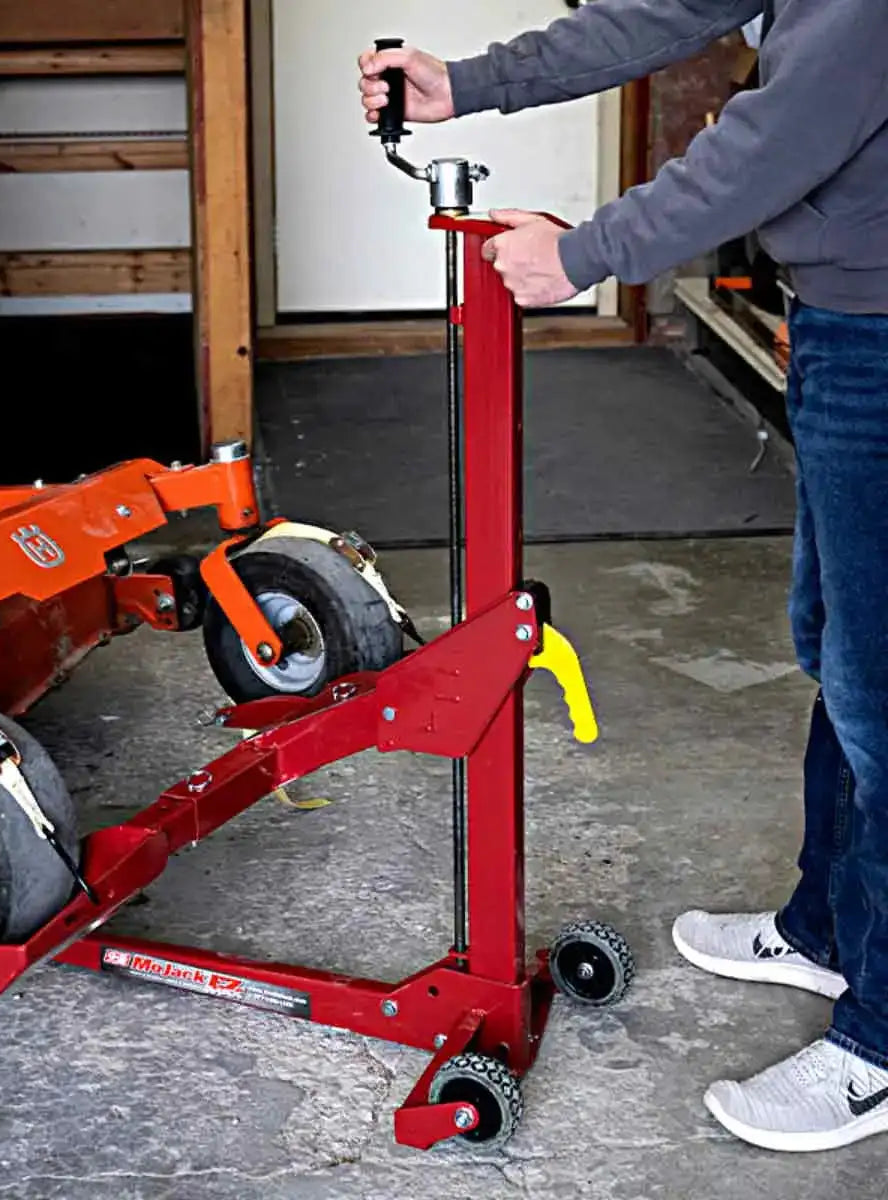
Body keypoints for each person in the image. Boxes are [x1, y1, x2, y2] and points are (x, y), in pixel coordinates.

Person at [359, 0, 888, 1155]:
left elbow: (785, 130)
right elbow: (668, 12)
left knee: (880, 692)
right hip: (846, 316)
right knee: (839, 649)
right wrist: (471, 81)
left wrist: (588, 252)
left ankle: (882, 1038)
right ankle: (828, 927)